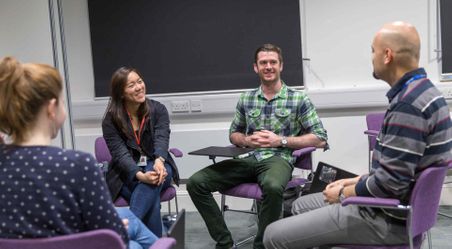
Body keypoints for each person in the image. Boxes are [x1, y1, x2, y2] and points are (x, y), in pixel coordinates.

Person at [263, 21, 452, 249]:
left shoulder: (408, 106)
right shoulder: (426, 93)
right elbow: (398, 171)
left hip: (386, 219)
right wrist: (356, 180)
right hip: (397, 211)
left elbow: (389, 185)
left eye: (373, 51)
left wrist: (344, 192)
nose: (371, 57)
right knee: (302, 205)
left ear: (387, 55)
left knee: (272, 235)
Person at [0, 57, 157, 249]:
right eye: (63, 102)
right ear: (51, 109)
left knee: (129, 219)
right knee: (133, 239)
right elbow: (107, 239)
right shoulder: (77, 165)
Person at [187, 43, 328, 249]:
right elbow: (234, 134)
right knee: (195, 182)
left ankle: (263, 244)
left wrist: (280, 141)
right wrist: (245, 140)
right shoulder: (247, 98)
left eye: (273, 62)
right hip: (248, 158)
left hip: (279, 159)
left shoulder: (298, 98)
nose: (268, 66)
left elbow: (320, 138)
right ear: (256, 67)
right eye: (263, 63)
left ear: (281, 66)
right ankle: (224, 242)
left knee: (271, 186)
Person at [102, 66, 180, 237]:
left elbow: (162, 139)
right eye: (131, 85)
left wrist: (159, 161)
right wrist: (140, 175)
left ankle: (127, 231)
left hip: (159, 166)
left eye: (139, 81)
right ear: (121, 93)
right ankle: (155, 243)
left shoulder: (158, 109)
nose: (138, 87)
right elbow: (120, 154)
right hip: (126, 173)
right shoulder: (111, 120)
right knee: (150, 196)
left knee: (153, 178)